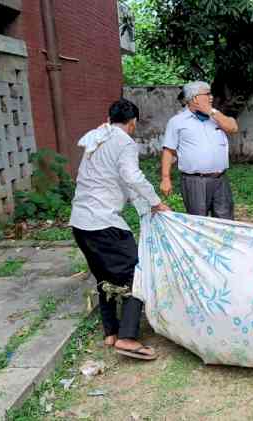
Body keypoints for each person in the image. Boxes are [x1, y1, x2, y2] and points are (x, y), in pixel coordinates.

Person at [70, 99, 170, 360]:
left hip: (81, 223)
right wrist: (157, 202)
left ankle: (111, 332)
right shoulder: (124, 142)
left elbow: (121, 183)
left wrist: (146, 209)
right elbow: (132, 177)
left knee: (103, 276)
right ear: (133, 122)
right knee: (136, 272)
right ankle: (127, 337)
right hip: (103, 223)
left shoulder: (98, 139)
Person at [160, 81, 239, 219]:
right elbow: (169, 151)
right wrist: (165, 178)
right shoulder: (177, 121)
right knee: (198, 222)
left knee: (226, 223)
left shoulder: (216, 116)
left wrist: (211, 111)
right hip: (195, 181)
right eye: (207, 94)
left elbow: (233, 128)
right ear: (194, 98)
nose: (211, 97)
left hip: (220, 179)